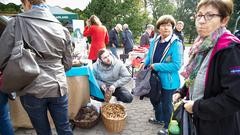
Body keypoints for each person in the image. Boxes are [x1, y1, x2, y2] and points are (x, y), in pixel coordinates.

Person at [0, 0, 73, 134]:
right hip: (58, 86)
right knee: (64, 128)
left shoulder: (16, 22)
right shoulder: (61, 27)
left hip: (30, 87)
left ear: (27, 2)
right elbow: (68, 64)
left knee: (43, 131)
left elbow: (2, 58)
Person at [172, 0, 240, 135]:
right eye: (199, 15)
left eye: (209, 16)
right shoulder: (202, 45)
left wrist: (197, 107)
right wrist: (182, 91)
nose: (201, 21)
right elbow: (195, 76)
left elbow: (234, 98)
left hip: (218, 127)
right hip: (198, 121)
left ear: (224, 20)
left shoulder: (230, 50)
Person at [142, 15, 183, 135]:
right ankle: (159, 118)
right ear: (158, 28)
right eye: (163, 25)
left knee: (166, 104)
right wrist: (144, 63)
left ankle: (167, 125)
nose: (166, 28)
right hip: (155, 78)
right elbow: (149, 56)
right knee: (155, 99)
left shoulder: (176, 44)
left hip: (169, 81)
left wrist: (157, 66)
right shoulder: (155, 40)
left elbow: (176, 65)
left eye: (169, 25)